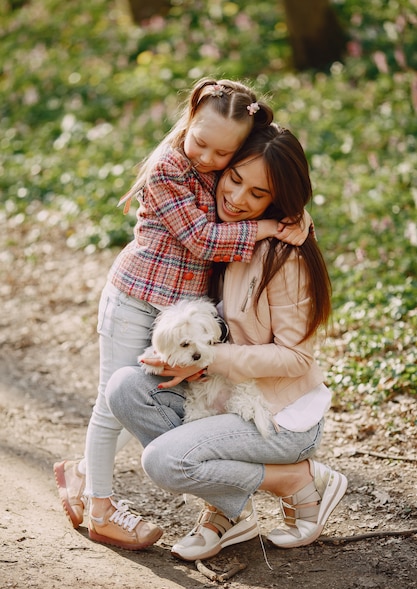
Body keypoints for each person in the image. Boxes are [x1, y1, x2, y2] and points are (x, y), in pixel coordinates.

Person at [53, 78, 312, 551]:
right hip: (136, 297)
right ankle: (100, 508)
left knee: (143, 396)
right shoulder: (168, 167)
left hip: (180, 310)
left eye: (223, 155)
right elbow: (202, 239)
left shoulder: (228, 172)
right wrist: (271, 225)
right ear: (188, 120)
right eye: (201, 143)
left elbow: (262, 181)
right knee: (112, 401)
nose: (209, 160)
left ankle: (83, 472)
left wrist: (293, 214)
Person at [105, 123, 348, 561]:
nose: (237, 198)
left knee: (163, 462)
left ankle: (296, 480)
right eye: (234, 179)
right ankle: (231, 510)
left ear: (278, 201)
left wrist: (211, 359)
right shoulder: (216, 234)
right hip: (226, 395)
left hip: (278, 417)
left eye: (258, 194)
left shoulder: (284, 256)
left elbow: (295, 358)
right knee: (125, 388)